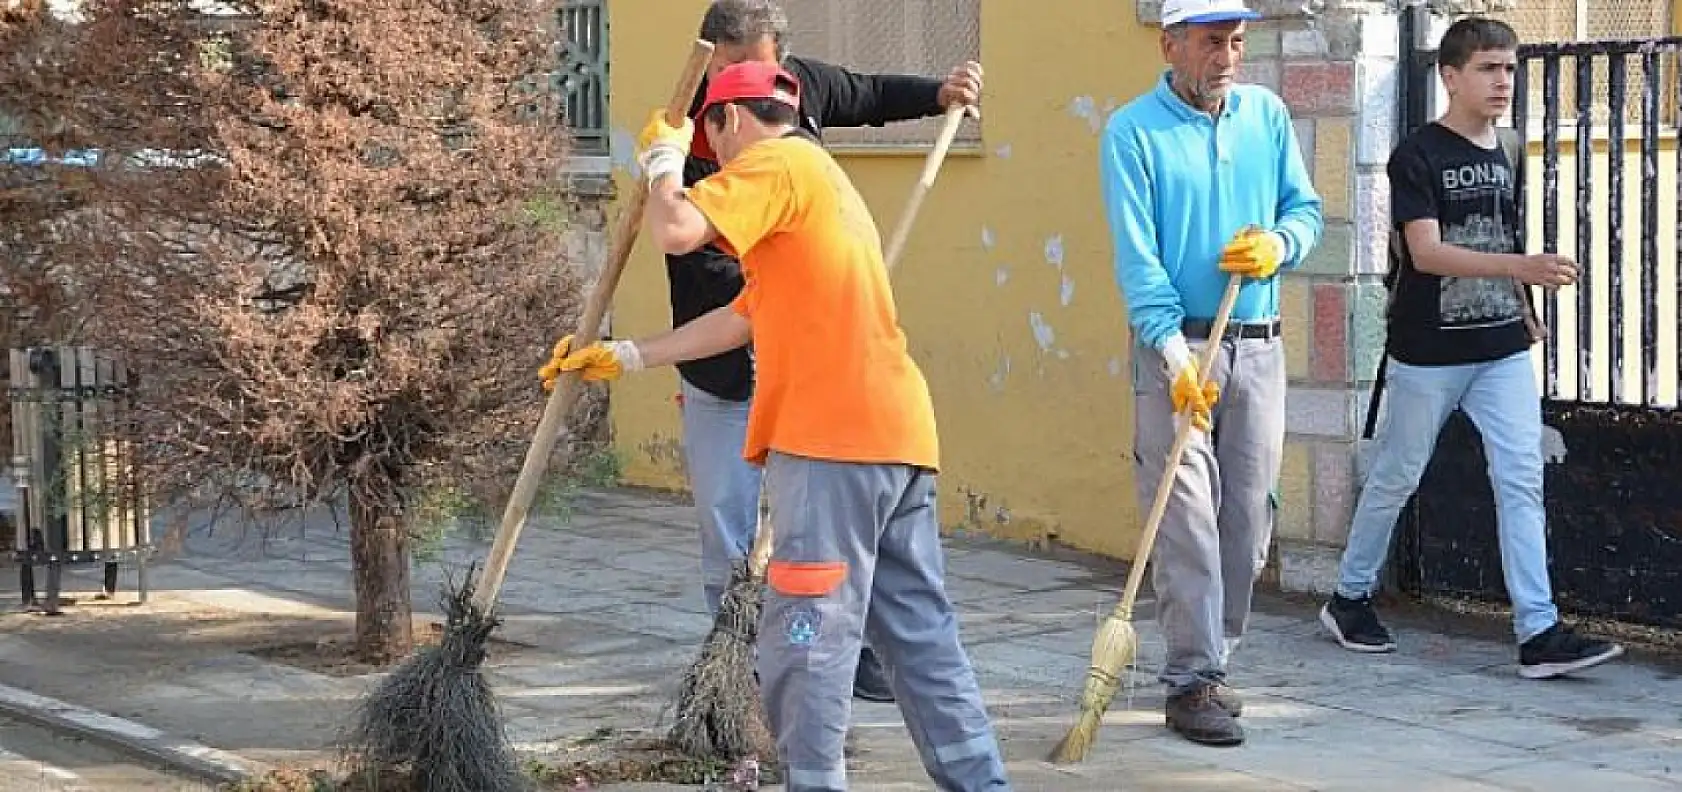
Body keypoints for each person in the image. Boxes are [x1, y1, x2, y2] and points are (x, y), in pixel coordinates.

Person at [542, 61, 1011, 792]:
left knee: (807, 640)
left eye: (714, 144)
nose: (719, 162)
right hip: (895, 437)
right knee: (919, 635)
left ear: (731, 120)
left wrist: (664, 161)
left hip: (832, 444)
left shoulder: (776, 163)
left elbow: (676, 229)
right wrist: (629, 354)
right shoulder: (817, 184)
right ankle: (982, 782)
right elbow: (742, 317)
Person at [670, 0, 983, 703]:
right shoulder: (694, 126)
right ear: (711, 62)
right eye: (736, 69)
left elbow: (866, 94)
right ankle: (738, 658)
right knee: (729, 521)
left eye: (765, 67)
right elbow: (691, 247)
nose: (757, 86)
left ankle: (847, 648)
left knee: (819, 529)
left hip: (810, 370)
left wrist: (938, 94)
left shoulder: (796, 93)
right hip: (723, 357)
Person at [1319, 16, 1624, 679]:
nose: (1503, 81)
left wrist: (1523, 307)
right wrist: (1523, 270)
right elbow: (1427, 253)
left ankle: (1538, 630)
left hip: (1501, 347)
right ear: (1451, 76)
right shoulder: (1417, 154)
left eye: (1509, 68)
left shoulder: (1508, 146)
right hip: (1429, 350)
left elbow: (1499, 235)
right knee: (1399, 473)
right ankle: (1349, 597)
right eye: (1488, 68)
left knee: (1521, 477)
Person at [1099, 0, 1323, 747]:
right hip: (1176, 349)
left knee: (1247, 520)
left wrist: (1279, 246)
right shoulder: (1132, 132)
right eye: (1210, 42)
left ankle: (1214, 661)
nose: (1226, 57)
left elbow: (1305, 211)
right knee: (1186, 517)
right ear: (1170, 45)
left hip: (1258, 345)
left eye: (1236, 41)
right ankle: (1190, 680)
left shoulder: (1267, 116)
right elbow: (1139, 261)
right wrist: (1174, 357)